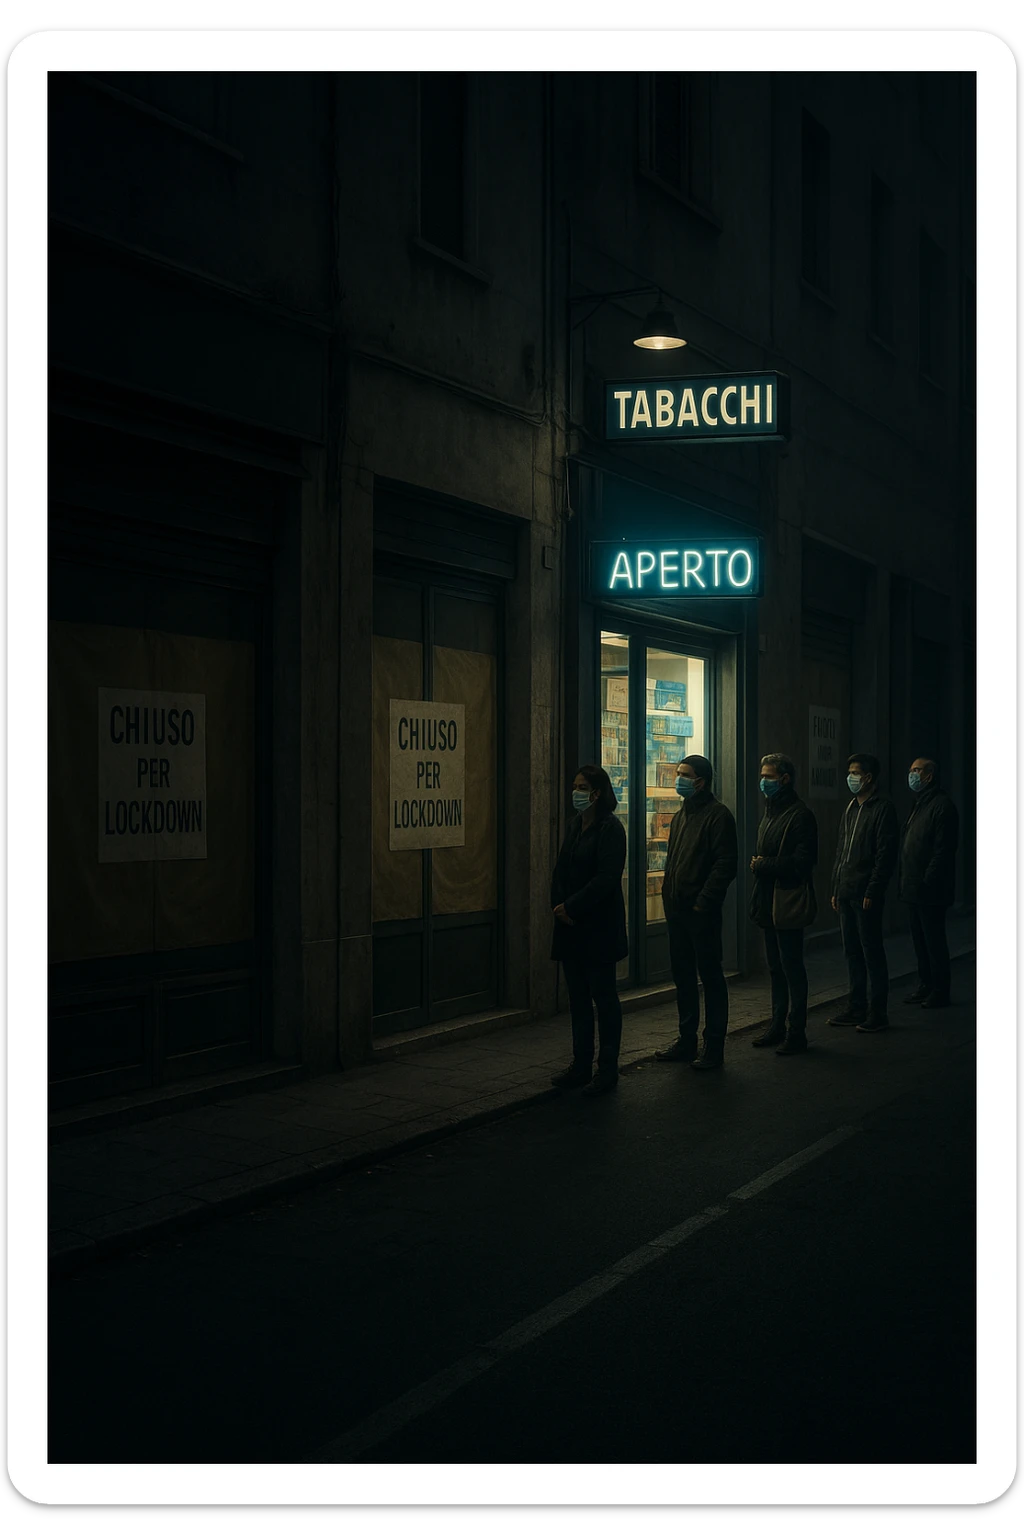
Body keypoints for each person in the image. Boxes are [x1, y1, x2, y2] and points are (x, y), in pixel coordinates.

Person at [654, 753, 738, 1071]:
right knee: (684, 978)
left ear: (700, 782)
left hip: (701, 913)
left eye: (684, 775)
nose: (678, 779)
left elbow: (725, 864)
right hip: (678, 911)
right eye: (678, 773)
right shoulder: (681, 816)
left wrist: (704, 901)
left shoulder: (718, 816)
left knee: (711, 977)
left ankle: (713, 1046)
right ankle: (686, 1040)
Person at [550, 764, 628, 1096]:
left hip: (598, 926)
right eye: (574, 786)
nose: (576, 792)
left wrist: (573, 906)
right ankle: (580, 1064)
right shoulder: (575, 825)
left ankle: (607, 1068)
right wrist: (559, 907)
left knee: (603, 998)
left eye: (582, 787)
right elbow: (561, 870)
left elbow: (606, 879)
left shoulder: (611, 829)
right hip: (571, 928)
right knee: (578, 999)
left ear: (597, 793)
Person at [748, 753, 819, 1055]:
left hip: (787, 901)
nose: (763, 781)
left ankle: (796, 1031)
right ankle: (777, 1025)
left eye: (769, 776)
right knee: (775, 968)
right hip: (768, 901)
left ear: (785, 779)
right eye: (762, 776)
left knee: (792, 968)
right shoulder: (771, 811)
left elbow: (802, 862)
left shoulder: (800, 815)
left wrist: (763, 865)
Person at [827, 752, 899, 1033]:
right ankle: (856, 1006)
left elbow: (885, 855)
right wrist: (836, 887)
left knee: (872, 952)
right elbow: (841, 851)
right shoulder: (850, 807)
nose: (851, 778)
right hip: (846, 890)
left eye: (855, 773)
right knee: (852, 952)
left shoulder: (882, 808)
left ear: (869, 777)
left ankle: (878, 1012)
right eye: (850, 773)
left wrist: (873, 889)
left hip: (865, 893)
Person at [898, 757, 959, 1009]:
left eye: (916, 770)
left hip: (930, 890)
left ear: (929, 776)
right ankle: (925, 984)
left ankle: (940, 990)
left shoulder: (941, 806)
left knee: (934, 942)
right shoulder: (919, 804)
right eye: (910, 769)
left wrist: (927, 881)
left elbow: (943, 851)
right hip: (913, 887)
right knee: (920, 942)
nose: (911, 774)